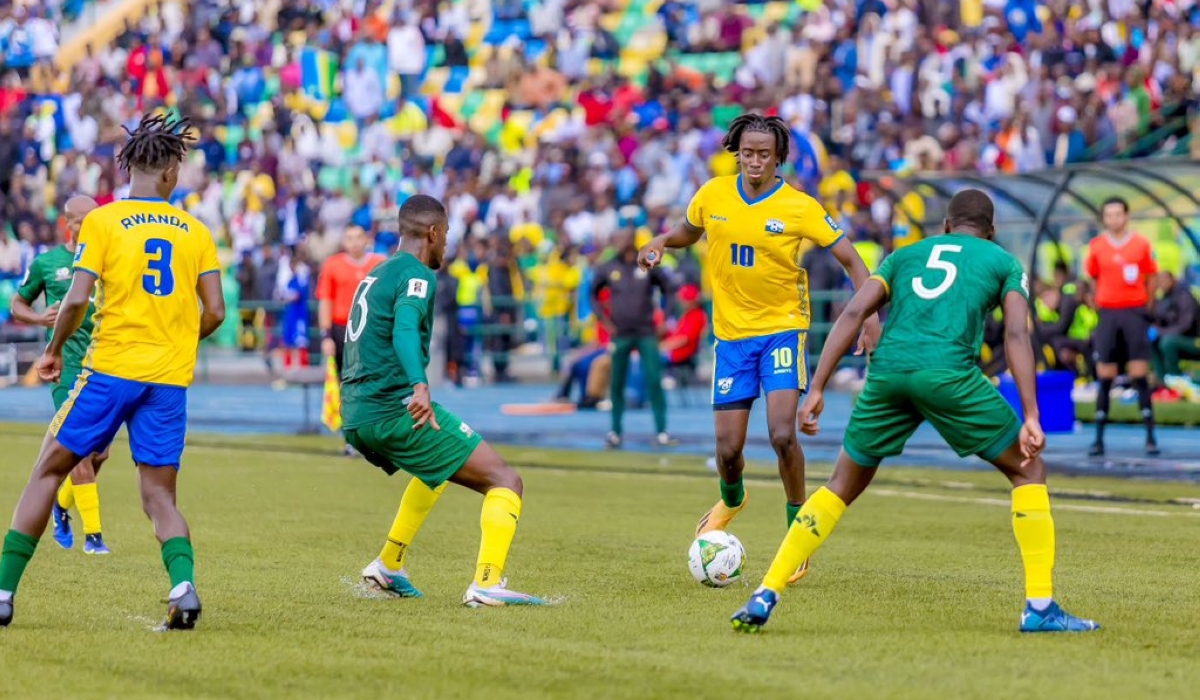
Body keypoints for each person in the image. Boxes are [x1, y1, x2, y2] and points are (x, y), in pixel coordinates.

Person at [730, 189, 1099, 635]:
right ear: (991, 231)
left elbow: (853, 312)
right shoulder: (1003, 261)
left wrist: (818, 388)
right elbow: (1018, 336)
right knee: (1028, 470)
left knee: (840, 486)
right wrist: (1032, 415)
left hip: (887, 375)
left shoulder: (903, 256)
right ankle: (1040, 606)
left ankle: (766, 591)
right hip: (948, 375)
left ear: (944, 226)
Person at [0, 114, 226, 629]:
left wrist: (53, 349)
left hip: (109, 369)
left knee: (48, 470)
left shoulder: (103, 221)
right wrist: (173, 343)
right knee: (160, 497)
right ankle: (183, 586)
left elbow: (77, 297)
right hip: (167, 380)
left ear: (131, 170)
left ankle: (3, 593)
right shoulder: (196, 231)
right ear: (170, 174)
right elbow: (213, 311)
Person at [638, 114, 880, 584]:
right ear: (737, 152)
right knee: (728, 449)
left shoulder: (799, 206)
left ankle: (797, 534)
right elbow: (690, 231)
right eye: (747, 153)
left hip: (783, 331)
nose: (754, 161)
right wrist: (663, 241)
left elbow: (851, 259)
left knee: (782, 435)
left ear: (778, 158)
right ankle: (732, 499)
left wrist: (868, 316)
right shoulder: (713, 194)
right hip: (731, 338)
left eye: (763, 154)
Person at [343, 195, 544, 607]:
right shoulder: (418, 275)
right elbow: (402, 330)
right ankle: (487, 583)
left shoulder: (378, 273)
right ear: (433, 233)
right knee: (506, 480)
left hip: (359, 412)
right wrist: (419, 385)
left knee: (435, 469)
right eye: (447, 234)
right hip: (392, 409)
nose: (447, 244)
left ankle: (388, 565)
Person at [10, 195, 112, 555]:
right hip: (67, 370)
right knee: (81, 453)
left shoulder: (107, 257)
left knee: (100, 454)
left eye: (93, 219)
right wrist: (40, 318)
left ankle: (61, 504)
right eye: (82, 221)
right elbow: (17, 303)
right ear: (66, 223)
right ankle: (95, 538)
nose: (88, 227)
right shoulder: (48, 264)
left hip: (104, 367)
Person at [1084, 197, 1158, 457]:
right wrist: (1100, 304)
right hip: (1108, 313)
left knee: (1139, 374)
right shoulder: (1096, 246)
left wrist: (1146, 308)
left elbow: (1152, 277)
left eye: (1118, 214)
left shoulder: (1140, 245)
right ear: (1104, 218)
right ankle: (1098, 439)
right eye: (1109, 214)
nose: (1114, 219)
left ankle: (1150, 437)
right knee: (1105, 375)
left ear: (1126, 216)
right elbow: (1092, 278)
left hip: (1134, 312)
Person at [591, 229, 675, 448]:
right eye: (617, 237)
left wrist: (665, 318)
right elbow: (592, 293)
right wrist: (604, 321)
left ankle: (661, 430)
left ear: (632, 239)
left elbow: (669, 289)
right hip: (620, 333)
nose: (620, 241)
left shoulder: (646, 263)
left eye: (623, 237)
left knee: (654, 380)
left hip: (646, 332)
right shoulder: (608, 267)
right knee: (617, 382)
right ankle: (616, 431)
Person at [316, 226, 386, 455]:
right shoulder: (333, 265)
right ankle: (351, 437)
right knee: (347, 385)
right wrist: (326, 335)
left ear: (367, 240)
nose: (355, 242)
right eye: (349, 238)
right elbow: (325, 300)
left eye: (358, 238)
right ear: (344, 241)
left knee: (373, 383)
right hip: (342, 329)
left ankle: (376, 435)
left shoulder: (380, 263)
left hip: (371, 329)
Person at [1152, 271, 1200, 380]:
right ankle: (1163, 383)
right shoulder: (1163, 299)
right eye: (1159, 282)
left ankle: (1176, 381)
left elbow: (1185, 325)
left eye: (1164, 280)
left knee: (1168, 343)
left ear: (1172, 280)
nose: (1162, 284)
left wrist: (1160, 332)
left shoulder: (1184, 296)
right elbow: (1158, 319)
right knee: (1152, 341)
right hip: (1177, 339)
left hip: (1194, 340)